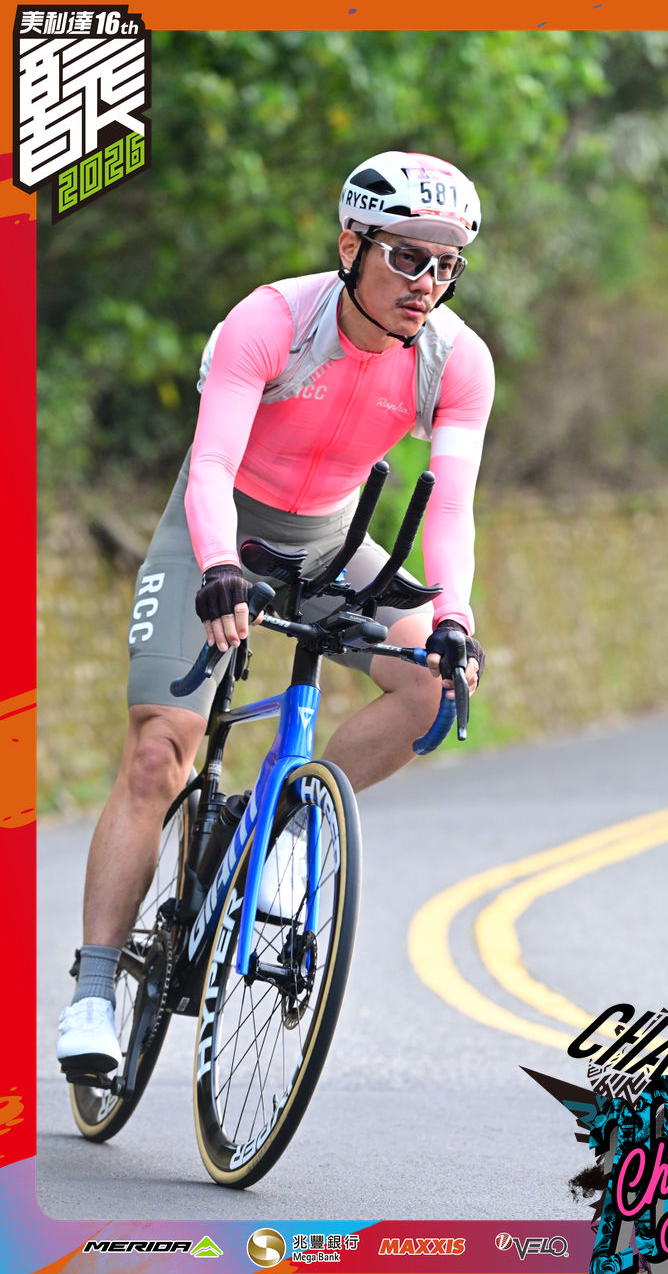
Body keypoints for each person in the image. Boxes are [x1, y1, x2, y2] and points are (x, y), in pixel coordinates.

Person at [57, 150, 494, 1073]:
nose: (426, 281)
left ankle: (287, 826)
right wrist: (218, 565)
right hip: (219, 532)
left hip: (331, 541)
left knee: (430, 684)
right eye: (407, 256)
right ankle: (93, 993)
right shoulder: (273, 322)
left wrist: (454, 616)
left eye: (445, 263)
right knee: (158, 752)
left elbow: (450, 508)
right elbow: (212, 465)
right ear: (351, 246)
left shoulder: (455, 361)